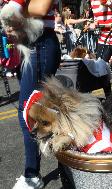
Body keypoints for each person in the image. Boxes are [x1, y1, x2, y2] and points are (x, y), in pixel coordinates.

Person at [2, 0, 61, 188]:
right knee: (35, 111)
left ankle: (32, 175)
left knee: (30, 113)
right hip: (32, 43)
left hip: (40, 42)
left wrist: (10, 12)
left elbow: (41, 7)